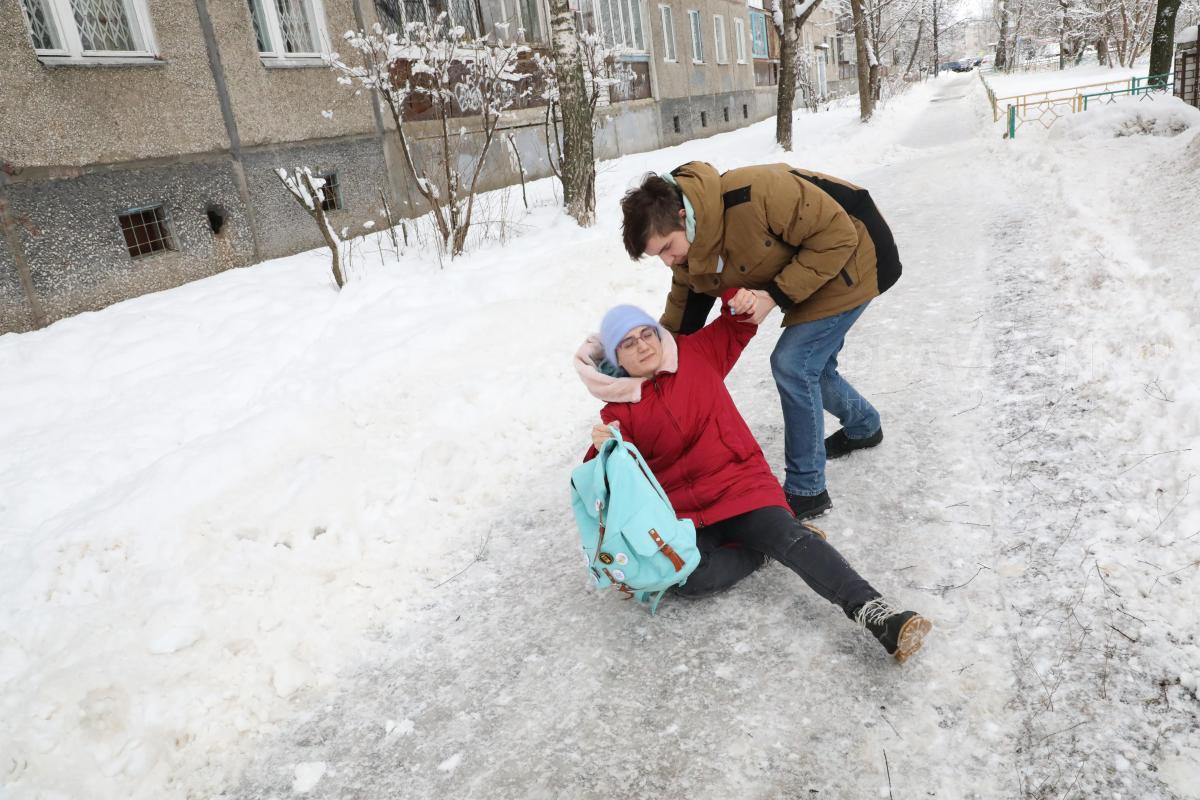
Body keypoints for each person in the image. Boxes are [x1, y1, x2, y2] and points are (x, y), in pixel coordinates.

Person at [574, 296, 930, 662]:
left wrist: (735, 295)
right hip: (686, 515)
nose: (642, 346)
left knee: (790, 539)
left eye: (646, 334)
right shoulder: (617, 411)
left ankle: (878, 613)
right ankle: (761, 553)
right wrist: (602, 449)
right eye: (628, 344)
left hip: (741, 486)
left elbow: (739, 320)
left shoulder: (696, 354)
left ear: (659, 334)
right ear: (617, 360)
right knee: (687, 579)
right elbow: (606, 480)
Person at [619, 162, 903, 520]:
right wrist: (659, 359)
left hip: (856, 253)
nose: (667, 261)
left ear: (682, 216)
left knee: (794, 364)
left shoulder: (757, 194)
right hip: (812, 265)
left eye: (667, 248)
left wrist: (773, 295)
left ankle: (807, 490)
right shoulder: (690, 246)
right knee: (814, 366)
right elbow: (684, 306)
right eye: (657, 255)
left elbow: (837, 236)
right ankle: (864, 426)